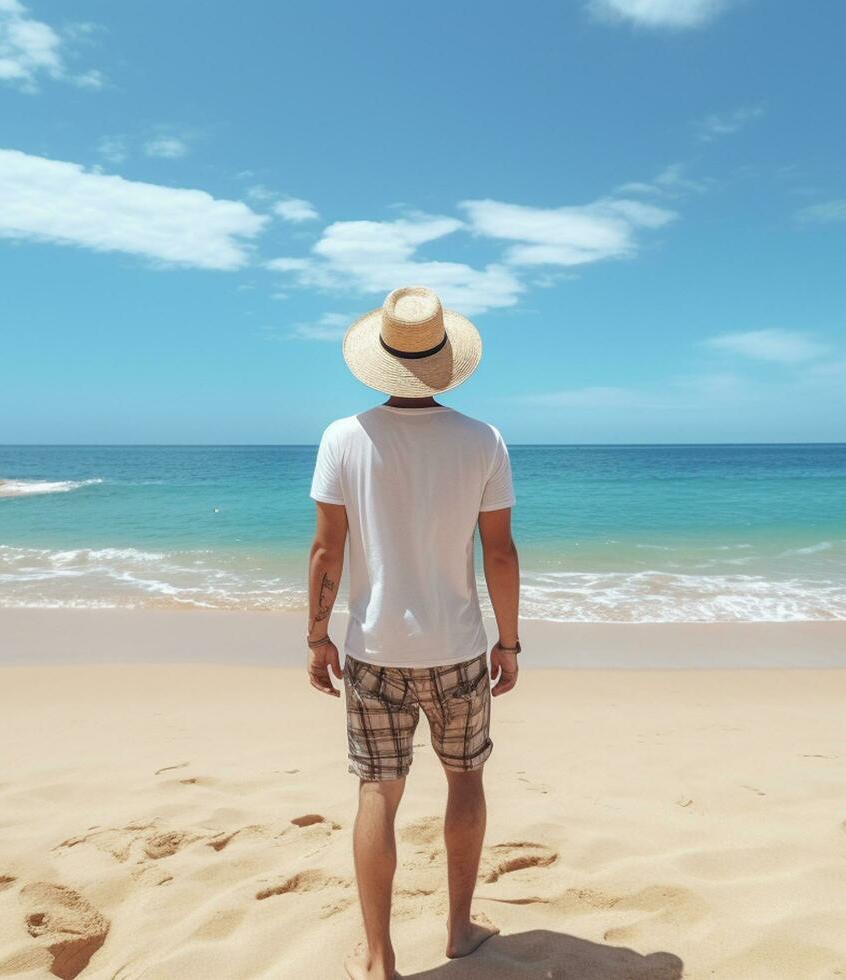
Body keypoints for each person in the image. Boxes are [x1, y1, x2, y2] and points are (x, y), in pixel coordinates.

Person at [304, 286, 521, 980]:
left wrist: (316, 636)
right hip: (457, 647)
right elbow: (500, 553)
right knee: (464, 781)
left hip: (372, 651)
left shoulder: (344, 436)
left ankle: (378, 958)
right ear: (445, 361)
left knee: (377, 791)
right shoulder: (482, 439)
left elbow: (325, 551)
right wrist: (508, 642)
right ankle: (457, 929)